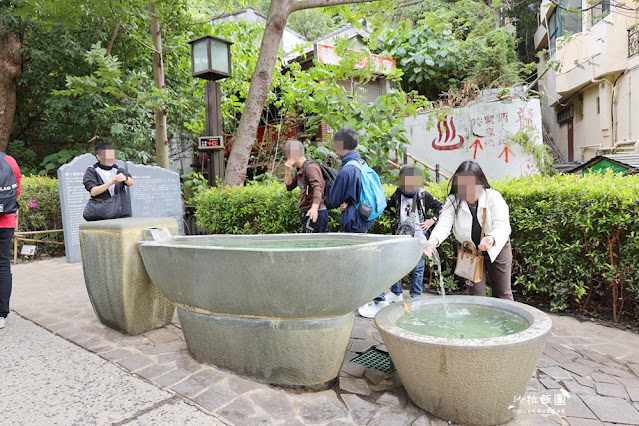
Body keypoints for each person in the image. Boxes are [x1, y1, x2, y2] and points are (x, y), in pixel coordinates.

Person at [424, 160, 513, 300]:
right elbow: (444, 224)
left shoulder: (493, 197)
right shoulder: (453, 200)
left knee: (503, 294)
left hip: (497, 248)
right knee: (475, 297)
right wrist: (432, 241)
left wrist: (491, 238)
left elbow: (502, 226)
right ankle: (480, 321)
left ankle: (507, 322)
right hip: (468, 251)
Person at [326, 128, 383, 318]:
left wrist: (344, 204)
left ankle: (377, 301)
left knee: (361, 264)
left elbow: (333, 201)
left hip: (355, 222)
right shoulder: (362, 164)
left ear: (340, 147)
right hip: (366, 217)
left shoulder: (347, 170)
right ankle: (373, 300)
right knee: (364, 260)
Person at [385, 166, 442, 302]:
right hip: (401, 235)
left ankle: (416, 295)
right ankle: (396, 293)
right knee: (397, 264)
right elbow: (385, 205)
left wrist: (431, 221)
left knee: (418, 267)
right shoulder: (398, 193)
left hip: (419, 237)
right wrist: (395, 217)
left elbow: (440, 206)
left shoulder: (423, 195)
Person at [284, 139, 328, 233]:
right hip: (309, 212)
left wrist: (314, 208)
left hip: (316, 212)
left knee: (312, 246)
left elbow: (318, 187)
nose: (287, 158)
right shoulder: (300, 169)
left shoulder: (311, 168)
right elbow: (289, 187)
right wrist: (287, 171)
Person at [83, 143, 134, 218]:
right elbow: (93, 192)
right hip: (103, 214)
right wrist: (110, 183)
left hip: (122, 213)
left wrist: (125, 178)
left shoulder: (119, 170)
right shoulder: (92, 171)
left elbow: (131, 182)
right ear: (98, 157)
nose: (111, 159)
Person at [0, 153, 21, 329]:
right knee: (3, 266)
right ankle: (1, 315)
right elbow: (16, 192)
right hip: (6, 222)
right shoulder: (9, 161)